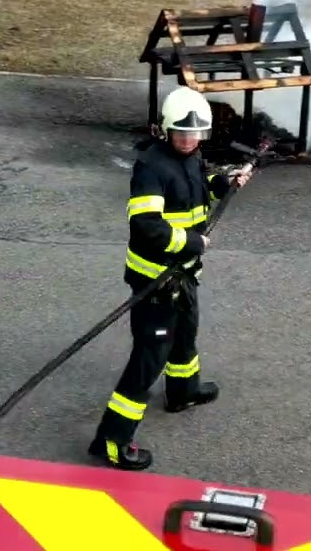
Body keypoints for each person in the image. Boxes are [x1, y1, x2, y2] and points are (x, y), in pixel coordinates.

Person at [87, 86, 250, 471]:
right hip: (155, 283)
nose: (189, 140)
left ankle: (182, 391)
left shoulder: (192, 157)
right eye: (182, 133)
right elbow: (146, 226)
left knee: (187, 332)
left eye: (195, 135)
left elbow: (195, 190)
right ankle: (112, 440)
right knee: (147, 360)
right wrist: (191, 242)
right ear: (166, 131)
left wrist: (224, 184)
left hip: (183, 276)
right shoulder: (152, 168)